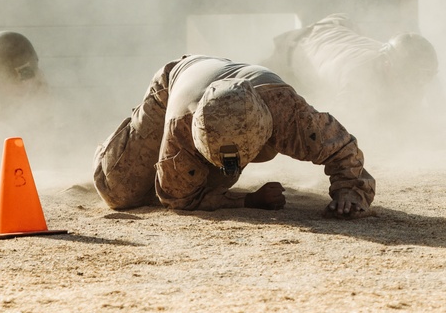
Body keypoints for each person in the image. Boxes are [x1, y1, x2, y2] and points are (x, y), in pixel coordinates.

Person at [92, 55, 375, 217]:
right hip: (174, 83)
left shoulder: (287, 114)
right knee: (119, 192)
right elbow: (176, 198)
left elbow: (341, 148)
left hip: (246, 91)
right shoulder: (182, 126)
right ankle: (126, 136)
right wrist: (248, 201)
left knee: (216, 178)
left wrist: (350, 192)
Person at [263, 13, 441, 122]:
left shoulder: (410, 65)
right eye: (407, 79)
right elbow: (336, 126)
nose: (416, 86)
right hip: (294, 48)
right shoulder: (358, 77)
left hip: (341, 28)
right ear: (388, 66)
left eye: (422, 79)